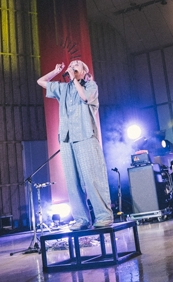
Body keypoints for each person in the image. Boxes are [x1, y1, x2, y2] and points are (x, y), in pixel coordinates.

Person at [37, 60, 113, 229]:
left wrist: (74, 79)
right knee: (72, 181)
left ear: (84, 71)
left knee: (92, 178)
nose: (73, 65)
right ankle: (81, 219)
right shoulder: (63, 89)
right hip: (67, 138)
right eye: (71, 64)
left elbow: (85, 97)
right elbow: (40, 81)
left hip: (85, 136)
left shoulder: (90, 86)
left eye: (77, 64)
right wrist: (55, 71)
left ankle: (104, 216)